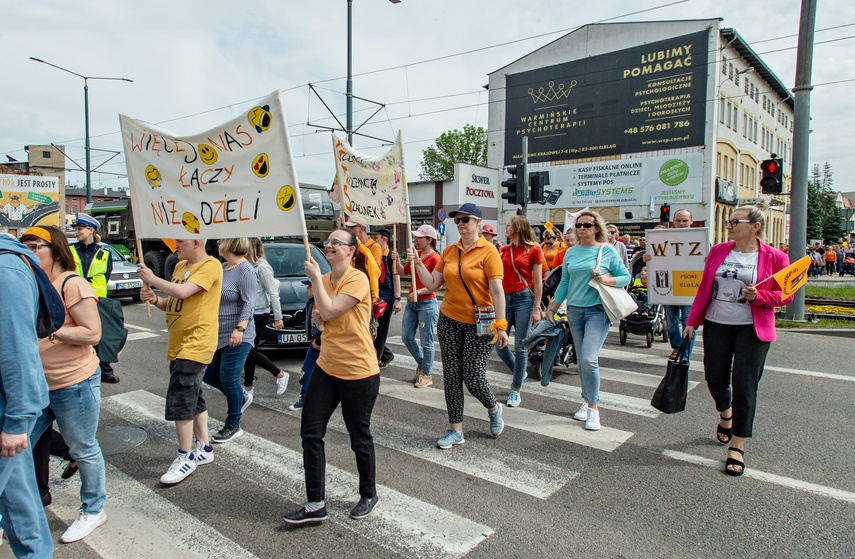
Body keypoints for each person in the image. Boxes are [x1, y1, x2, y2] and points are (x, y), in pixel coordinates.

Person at [684, 200, 792, 477]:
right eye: (729, 222)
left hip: (753, 329)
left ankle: (738, 445)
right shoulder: (719, 251)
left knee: (745, 385)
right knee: (715, 378)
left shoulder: (775, 257)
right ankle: (725, 413)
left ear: (755, 227)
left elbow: (787, 295)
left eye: (735, 222)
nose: (729, 226)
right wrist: (692, 321)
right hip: (717, 323)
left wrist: (761, 296)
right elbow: (704, 288)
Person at [283, 228, 380, 524]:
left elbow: (331, 309)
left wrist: (316, 287)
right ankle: (315, 503)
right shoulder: (324, 280)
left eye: (337, 242)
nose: (330, 245)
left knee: (358, 436)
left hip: (359, 370)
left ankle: (368, 493)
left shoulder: (357, 279)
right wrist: (320, 320)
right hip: (327, 367)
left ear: (352, 250)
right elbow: (323, 322)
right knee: (310, 433)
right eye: (328, 242)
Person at [20, 226, 108, 543]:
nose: (28, 251)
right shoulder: (30, 283)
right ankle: (14, 510)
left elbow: (92, 334)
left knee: (83, 449)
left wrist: (52, 333)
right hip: (35, 386)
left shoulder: (72, 284)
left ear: (56, 250)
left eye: (35, 245)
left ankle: (94, 509)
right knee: (14, 448)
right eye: (24, 246)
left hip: (74, 383)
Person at [408, 203, 509, 448]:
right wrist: (418, 263)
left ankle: (494, 408)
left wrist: (502, 325)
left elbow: (497, 290)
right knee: (452, 377)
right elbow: (432, 285)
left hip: (481, 322)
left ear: (477, 222)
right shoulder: (450, 251)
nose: (461, 224)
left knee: (473, 377)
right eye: (457, 220)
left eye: (466, 219)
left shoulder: (489, 252)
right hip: (450, 320)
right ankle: (456, 430)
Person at [138, 238, 222, 485]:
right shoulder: (179, 267)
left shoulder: (210, 265)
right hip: (178, 343)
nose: (174, 245)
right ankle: (204, 448)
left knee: (181, 397)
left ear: (196, 242)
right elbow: (174, 302)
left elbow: (185, 291)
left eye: (180, 241)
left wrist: (152, 279)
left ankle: (185, 456)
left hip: (196, 342)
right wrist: (155, 299)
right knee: (194, 394)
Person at [545, 211, 630, 431]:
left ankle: (594, 408)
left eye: (587, 225)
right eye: (579, 225)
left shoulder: (607, 250)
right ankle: (585, 400)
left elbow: (626, 277)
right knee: (582, 360)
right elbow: (564, 282)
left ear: (596, 228)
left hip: (597, 311)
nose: (582, 228)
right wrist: (553, 307)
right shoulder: (572, 253)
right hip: (574, 311)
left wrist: (605, 280)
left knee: (588, 358)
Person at [0, 233, 53, 558]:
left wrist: (18, 420)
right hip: (10, 413)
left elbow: (17, 351)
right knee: (22, 510)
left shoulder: (6, 269)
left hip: (7, 412)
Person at [204, 238, 257, 443]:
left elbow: (249, 304)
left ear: (231, 244)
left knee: (229, 377)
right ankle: (241, 397)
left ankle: (233, 424)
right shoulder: (222, 267)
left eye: (222, 240)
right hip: (217, 332)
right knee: (209, 375)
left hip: (238, 334)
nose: (218, 243)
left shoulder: (246, 270)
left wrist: (240, 328)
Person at [497, 215, 543, 408]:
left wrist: (537, 307)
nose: (506, 228)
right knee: (499, 343)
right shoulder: (504, 250)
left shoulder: (534, 249)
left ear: (517, 228)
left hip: (524, 298)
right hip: (505, 300)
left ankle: (516, 390)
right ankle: (519, 370)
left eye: (508, 225)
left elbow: (538, 281)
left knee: (521, 346)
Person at [70, 213, 120, 384]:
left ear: (90, 230)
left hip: (98, 300)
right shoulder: (71, 250)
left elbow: (106, 274)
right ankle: (82, 369)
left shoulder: (104, 251)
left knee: (102, 336)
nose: (77, 232)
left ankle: (105, 370)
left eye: (79, 229)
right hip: (76, 299)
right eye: (76, 229)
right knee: (79, 335)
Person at [242, 238, 289, 408]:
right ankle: (248, 387)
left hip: (260, 312)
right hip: (250, 312)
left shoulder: (262, 267)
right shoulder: (248, 266)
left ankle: (279, 374)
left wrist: (278, 317)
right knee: (248, 349)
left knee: (247, 350)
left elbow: (273, 293)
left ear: (250, 249)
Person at [644, 209, 695, 360]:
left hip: (690, 286)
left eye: (685, 220)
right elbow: (657, 259)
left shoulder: (701, 238)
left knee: (689, 324)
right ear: (673, 221)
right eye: (678, 220)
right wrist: (648, 259)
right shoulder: (662, 238)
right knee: (671, 322)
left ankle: (684, 355)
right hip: (669, 286)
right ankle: (677, 346)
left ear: (691, 221)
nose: (681, 223)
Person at [394, 224, 440, 388]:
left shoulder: (435, 258)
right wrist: (397, 260)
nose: (416, 239)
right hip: (413, 303)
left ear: (429, 240)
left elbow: (437, 285)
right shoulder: (416, 254)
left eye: (420, 237)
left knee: (426, 342)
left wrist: (419, 292)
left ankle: (427, 374)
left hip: (427, 302)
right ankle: (422, 364)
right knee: (406, 336)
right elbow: (402, 272)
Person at [369, 227, 401, 368]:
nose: (373, 241)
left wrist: (397, 299)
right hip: (375, 296)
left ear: (384, 239)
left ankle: (377, 360)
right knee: (371, 330)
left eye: (376, 238)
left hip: (387, 299)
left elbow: (396, 278)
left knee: (381, 330)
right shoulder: (372, 253)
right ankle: (386, 354)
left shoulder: (390, 256)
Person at [288, 280, 322, 411]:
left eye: (310, 286)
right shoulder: (310, 303)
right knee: (306, 373)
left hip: (323, 346)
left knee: (321, 375)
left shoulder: (323, 304)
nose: (307, 288)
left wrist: (319, 341)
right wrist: (283, 324)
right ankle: (305, 400)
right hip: (314, 345)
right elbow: (301, 316)